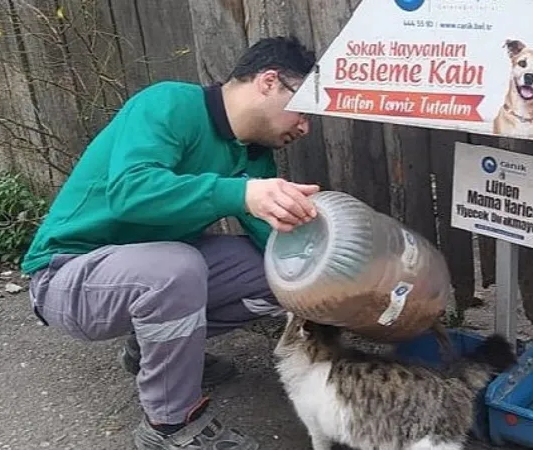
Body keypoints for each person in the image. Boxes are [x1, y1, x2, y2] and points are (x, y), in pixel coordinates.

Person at [21, 36, 319, 450]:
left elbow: (273, 243)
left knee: (277, 275)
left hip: (152, 272)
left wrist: (330, 279)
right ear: (269, 82)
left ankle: (154, 352)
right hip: (67, 274)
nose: (305, 127)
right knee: (176, 268)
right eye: (303, 112)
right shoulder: (168, 104)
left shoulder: (252, 155)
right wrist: (242, 194)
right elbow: (131, 192)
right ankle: (170, 426)